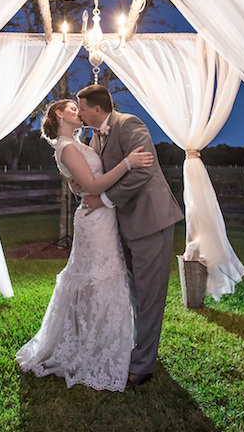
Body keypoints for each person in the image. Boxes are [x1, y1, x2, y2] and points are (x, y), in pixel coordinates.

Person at [15, 99, 153, 392]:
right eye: (73, 108)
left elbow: (79, 180)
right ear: (58, 115)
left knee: (105, 278)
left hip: (103, 216)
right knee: (95, 279)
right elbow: (91, 185)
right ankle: (87, 346)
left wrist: (74, 183)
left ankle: (105, 341)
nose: (79, 112)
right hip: (93, 219)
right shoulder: (65, 146)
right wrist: (128, 164)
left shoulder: (80, 143)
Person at [76, 84, 183, 388]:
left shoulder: (129, 124)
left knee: (150, 296)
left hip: (150, 220)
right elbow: (97, 176)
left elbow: (143, 172)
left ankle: (143, 365)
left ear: (97, 109)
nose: (79, 113)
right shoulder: (94, 137)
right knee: (134, 291)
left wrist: (104, 199)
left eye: (81, 107)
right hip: (125, 224)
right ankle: (138, 349)